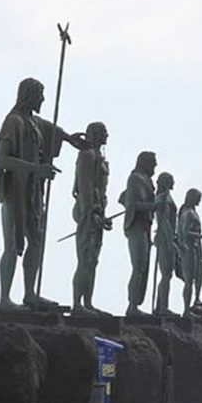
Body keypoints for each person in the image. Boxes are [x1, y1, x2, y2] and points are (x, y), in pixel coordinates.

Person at [0, 78, 86, 311]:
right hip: (15, 191)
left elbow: (51, 129)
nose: (43, 99)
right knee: (12, 244)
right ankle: (5, 298)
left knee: (36, 242)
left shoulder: (32, 122)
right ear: (29, 95)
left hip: (33, 194)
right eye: (40, 95)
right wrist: (35, 168)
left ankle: (30, 293)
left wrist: (69, 138)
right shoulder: (14, 121)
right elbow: (0, 159)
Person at [71, 123, 112, 316]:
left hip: (98, 212)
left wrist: (102, 215)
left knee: (93, 261)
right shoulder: (87, 155)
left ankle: (88, 302)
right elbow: (85, 187)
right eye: (104, 133)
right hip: (88, 212)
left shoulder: (100, 157)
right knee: (85, 259)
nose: (107, 136)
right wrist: (91, 212)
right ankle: (78, 304)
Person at [120, 151, 158, 317]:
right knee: (139, 266)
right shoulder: (136, 178)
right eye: (153, 163)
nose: (155, 166)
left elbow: (124, 197)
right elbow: (133, 203)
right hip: (136, 226)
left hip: (146, 227)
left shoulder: (147, 180)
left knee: (143, 268)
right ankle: (132, 305)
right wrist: (154, 206)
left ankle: (135, 303)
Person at [177, 188, 202, 318]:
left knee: (199, 274)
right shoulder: (187, 213)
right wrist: (201, 236)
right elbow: (184, 233)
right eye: (198, 198)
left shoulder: (194, 212)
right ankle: (186, 310)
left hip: (197, 248)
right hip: (189, 248)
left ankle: (197, 300)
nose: (200, 200)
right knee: (189, 280)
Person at [153, 172, 178, 316]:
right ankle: (162, 308)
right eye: (171, 180)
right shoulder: (162, 198)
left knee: (167, 274)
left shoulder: (167, 197)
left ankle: (161, 306)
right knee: (166, 274)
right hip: (164, 237)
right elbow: (163, 221)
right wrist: (169, 239)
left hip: (169, 237)